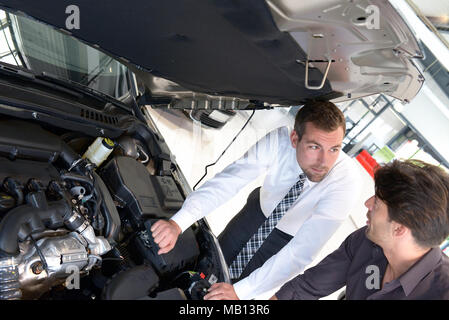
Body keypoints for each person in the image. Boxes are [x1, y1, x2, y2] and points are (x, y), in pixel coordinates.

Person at [151, 101, 362, 300]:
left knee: (234, 292)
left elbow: (300, 251)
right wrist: (178, 223)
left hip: (286, 241)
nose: (324, 161)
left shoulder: (346, 180)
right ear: (295, 138)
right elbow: (230, 181)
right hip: (256, 212)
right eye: (315, 147)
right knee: (210, 265)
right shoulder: (279, 140)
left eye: (334, 148)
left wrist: (240, 292)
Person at [272, 159, 449, 300]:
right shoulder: (367, 241)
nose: (367, 203)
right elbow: (305, 289)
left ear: (399, 229)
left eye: (378, 202)